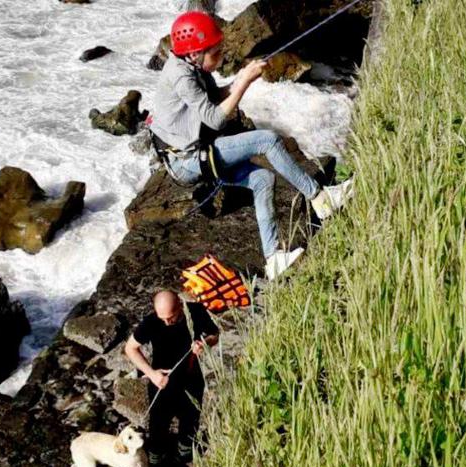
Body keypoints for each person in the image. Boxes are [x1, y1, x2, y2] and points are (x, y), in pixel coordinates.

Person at [149, 11, 354, 280]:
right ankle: (320, 199)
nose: (221, 56)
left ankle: (274, 259)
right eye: (216, 52)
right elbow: (215, 118)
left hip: (196, 150)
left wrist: (241, 77)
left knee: (262, 179)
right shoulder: (181, 77)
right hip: (187, 160)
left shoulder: (191, 66)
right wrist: (244, 83)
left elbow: (214, 96)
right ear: (195, 54)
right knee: (267, 140)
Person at [124, 290, 220, 467]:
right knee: (158, 427)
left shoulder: (195, 311)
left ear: (180, 306)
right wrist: (151, 374)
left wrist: (205, 344)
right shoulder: (151, 322)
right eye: (163, 318)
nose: (167, 322)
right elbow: (130, 348)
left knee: (191, 420)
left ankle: (186, 456)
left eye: (171, 317)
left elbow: (215, 334)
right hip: (161, 381)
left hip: (191, 378)